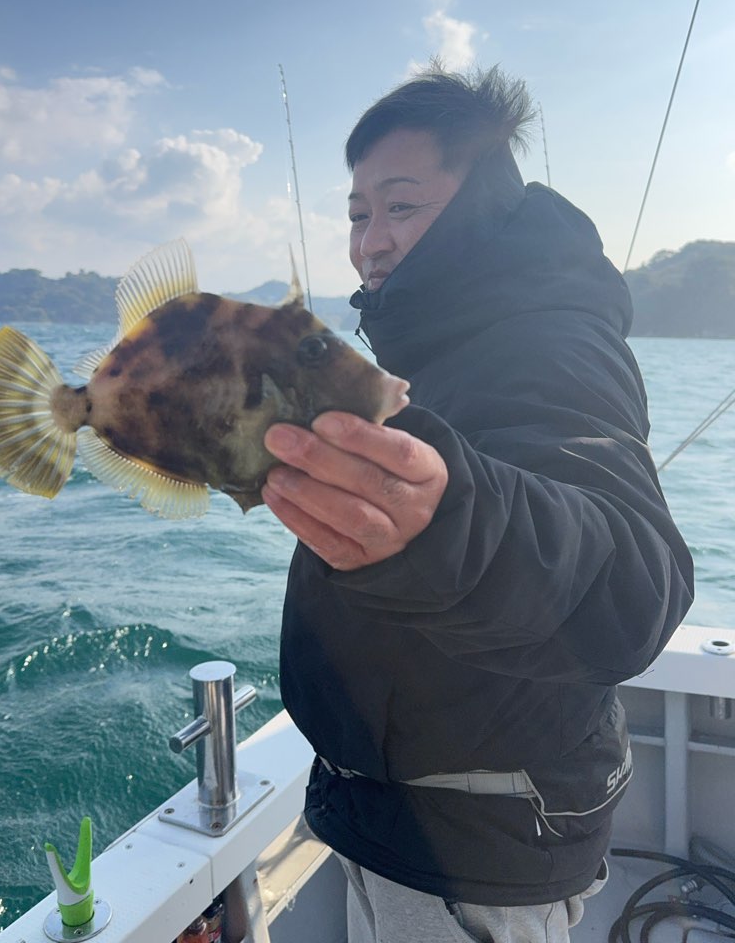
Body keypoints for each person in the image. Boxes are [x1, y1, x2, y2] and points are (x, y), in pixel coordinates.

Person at [261, 64, 694, 943]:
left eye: (402, 206)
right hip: (402, 811)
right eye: (357, 214)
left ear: (481, 205)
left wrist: (456, 528)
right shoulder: (435, 344)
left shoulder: (547, 339)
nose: (371, 241)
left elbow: (635, 582)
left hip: (472, 839)